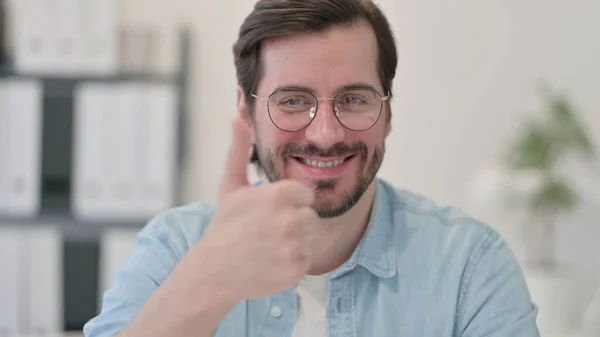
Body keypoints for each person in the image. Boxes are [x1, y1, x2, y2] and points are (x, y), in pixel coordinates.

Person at [84, 0, 540, 336]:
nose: (324, 134)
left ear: (388, 113)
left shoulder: (469, 266)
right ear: (247, 113)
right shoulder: (177, 248)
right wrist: (207, 281)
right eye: (294, 101)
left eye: (354, 99)